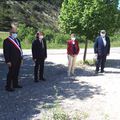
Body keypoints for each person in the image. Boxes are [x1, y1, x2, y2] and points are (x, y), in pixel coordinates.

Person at [3, 25, 23, 92]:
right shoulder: (6, 41)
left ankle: (15, 84)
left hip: (18, 59)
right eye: (14, 32)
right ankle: (8, 86)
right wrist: (8, 61)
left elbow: (20, 49)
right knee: (11, 73)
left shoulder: (17, 40)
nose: (15, 34)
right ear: (10, 33)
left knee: (16, 72)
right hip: (11, 60)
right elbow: (6, 52)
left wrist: (21, 58)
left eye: (16, 32)